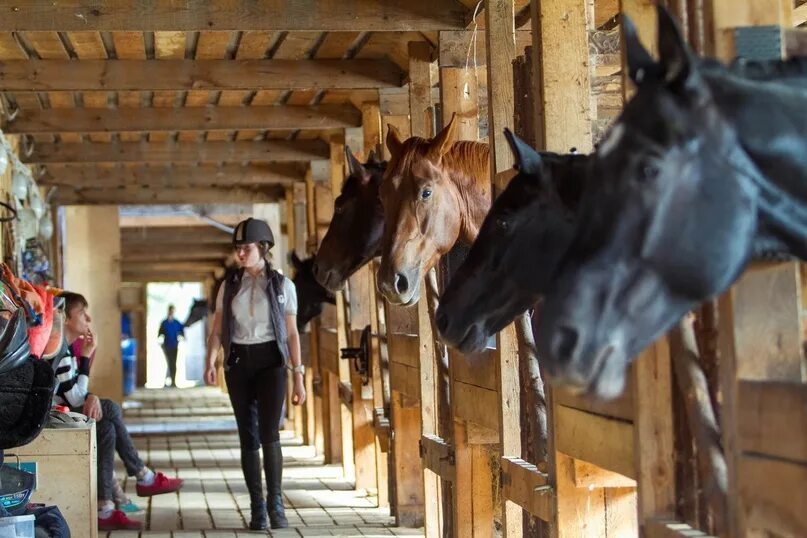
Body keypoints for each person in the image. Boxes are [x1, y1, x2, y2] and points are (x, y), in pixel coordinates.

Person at [51, 292, 184, 531]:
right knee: (110, 407)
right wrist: (85, 359)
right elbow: (75, 397)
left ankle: (106, 508)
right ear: (65, 318)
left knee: (107, 427)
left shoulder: (67, 350)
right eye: (82, 312)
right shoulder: (61, 351)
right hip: (56, 418)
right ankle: (143, 476)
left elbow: (78, 395)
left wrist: (85, 361)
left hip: (67, 413)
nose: (88, 318)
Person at [204, 218, 306, 530]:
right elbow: (217, 328)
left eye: (246, 248)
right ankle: (257, 507)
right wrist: (210, 361)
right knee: (247, 436)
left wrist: (298, 375)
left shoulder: (282, 285)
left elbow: (291, 334)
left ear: (263, 248)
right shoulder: (229, 285)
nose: (240, 254)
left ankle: (276, 504)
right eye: (237, 249)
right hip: (238, 362)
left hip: (271, 363)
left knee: (269, 433)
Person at [157, 305, 185, 388]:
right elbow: (159, 334)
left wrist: (181, 337)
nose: (171, 312)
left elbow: (182, 331)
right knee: (169, 363)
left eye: (173, 311)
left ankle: (173, 381)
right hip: (166, 346)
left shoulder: (176, 322)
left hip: (175, 346)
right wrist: (160, 340)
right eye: (170, 311)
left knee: (173, 363)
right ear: (168, 311)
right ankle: (167, 381)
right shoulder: (164, 323)